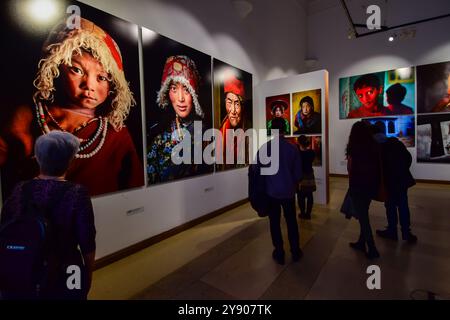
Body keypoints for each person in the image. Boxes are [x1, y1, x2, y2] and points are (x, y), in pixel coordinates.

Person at [0, 18, 144, 197]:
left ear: (113, 85)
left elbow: (135, 189)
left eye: (102, 78)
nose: (89, 85)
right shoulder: (28, 116)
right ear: (55, 67)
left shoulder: (116, 135)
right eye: (77, 70)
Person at [0, 131, 96, 299]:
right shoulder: (77, 193)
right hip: (66, 271)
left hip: (23, 268)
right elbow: (87, 242)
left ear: (38, 158)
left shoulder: (19, 189)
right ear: (70, 162)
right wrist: (87, 276)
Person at [147, 55, 206, 183]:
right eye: (174, 88)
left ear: (194, 93)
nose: (180, 98)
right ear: (167, 92)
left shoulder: (207, 133)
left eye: (186, 90)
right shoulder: (158, 138)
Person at [257, 117, 303, 265]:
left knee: (274, 223)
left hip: (271, 193)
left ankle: (279, 252)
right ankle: (295, 251)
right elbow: (298, 175)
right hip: (288, 193)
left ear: (272, 130)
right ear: (284, 129)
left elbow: (258, 173)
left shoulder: (264, 149)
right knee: (291, 221)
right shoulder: (292, 149)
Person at [372, 123, 418, 243]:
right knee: (403, 205)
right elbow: (408, 158)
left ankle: (392, 231)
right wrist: (402, 170)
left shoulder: (376, 147)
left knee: (390, 206)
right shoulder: (395, 142)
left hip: (388, 182)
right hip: (401, 180)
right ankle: (406, 233)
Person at [346, 121, 380, 259]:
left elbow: (350, 168)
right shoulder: (374, 146)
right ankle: (361, 242)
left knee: (363, 218)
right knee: (363, 213)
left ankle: (372, 248)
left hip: (358, 185)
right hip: (371, 185)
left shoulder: (353, 147)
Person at [296, 135, 316, 220]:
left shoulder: (298, 153)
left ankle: (303, 213)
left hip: (301, 175)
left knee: (301, 196)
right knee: (309, 195)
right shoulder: (311, 152)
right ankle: (308, 214)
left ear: (299, 142)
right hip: (310, 175)